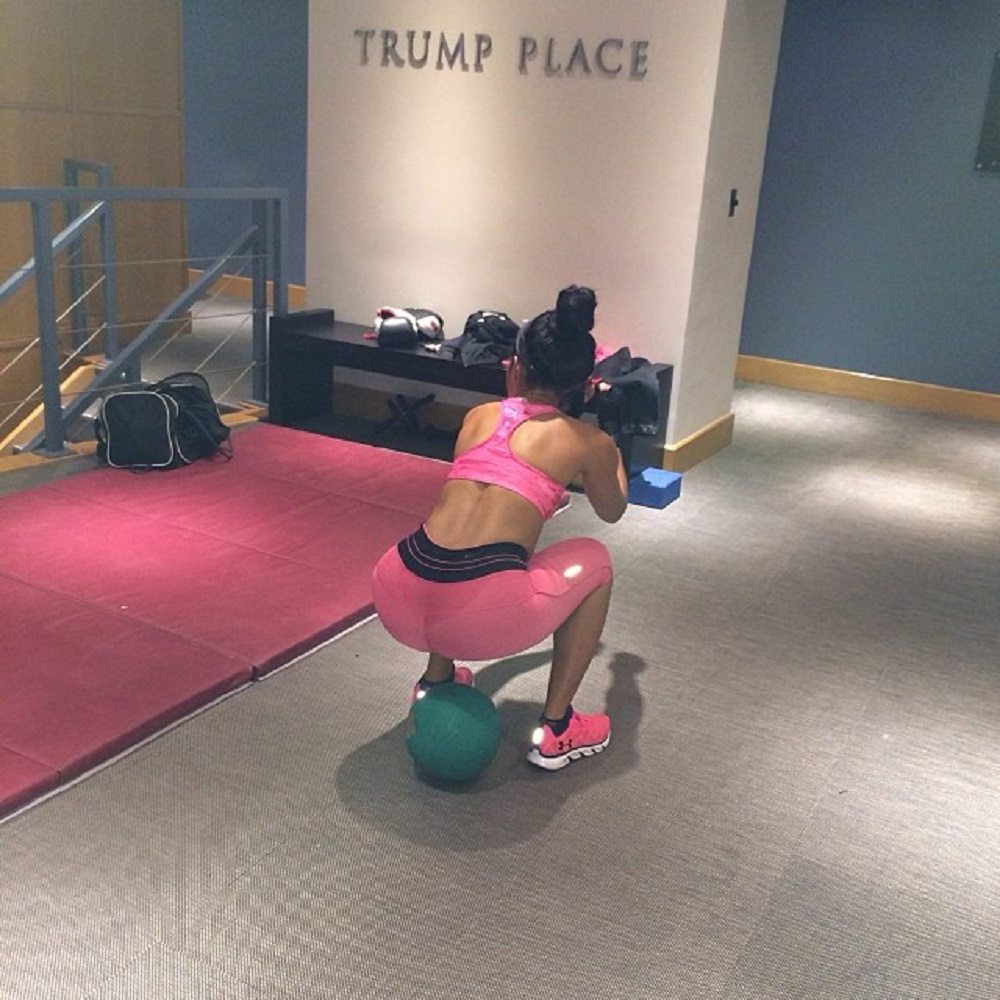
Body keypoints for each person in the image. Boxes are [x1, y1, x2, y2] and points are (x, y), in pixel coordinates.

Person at [371, 285, 629, 770]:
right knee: (596, 563)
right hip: (479, 614)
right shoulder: (588, 440)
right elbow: (613, 509)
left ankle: (434, 681)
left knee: (462, 544)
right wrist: (612, 448)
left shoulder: (478, 416)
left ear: (515, 367)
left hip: (396, 591)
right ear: (584, 384)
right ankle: (557, 730)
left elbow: (494, 485)